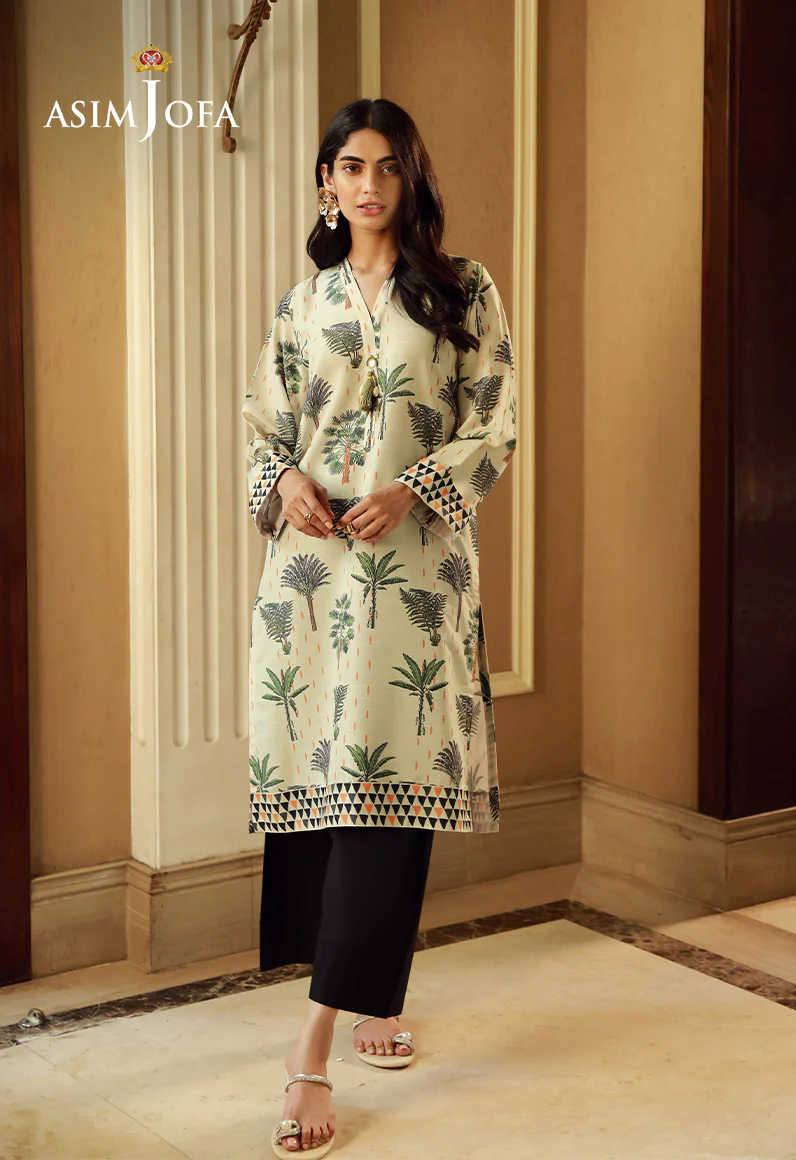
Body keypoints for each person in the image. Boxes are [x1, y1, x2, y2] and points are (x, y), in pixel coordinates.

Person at [241, 97, 517, 1158]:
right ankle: (370, 996)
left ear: (411, 178)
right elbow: (265, 428)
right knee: (326, 790)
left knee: (388, 792)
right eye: (351, 166)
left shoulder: (461, 289)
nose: (368, 184)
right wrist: (283, 482)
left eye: (387, 167)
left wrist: (412, 487)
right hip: (310, 579)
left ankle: (312, 1044)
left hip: (414, 572)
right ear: (326, 181)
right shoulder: (300, 304)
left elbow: (494, 419)